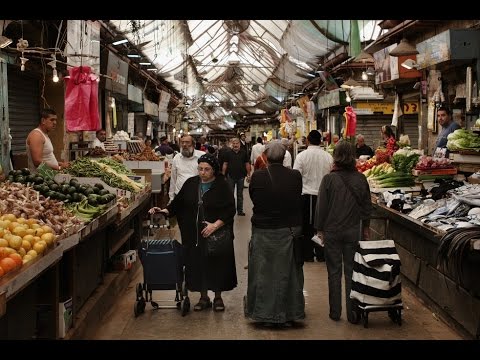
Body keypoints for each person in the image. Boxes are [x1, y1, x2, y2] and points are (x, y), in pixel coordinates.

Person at [149, 153, 237, 312]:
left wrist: (214, 226)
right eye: (200, 169)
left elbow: (230, 209)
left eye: (207, 169)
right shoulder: (191, 183)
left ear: (214, 170)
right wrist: (163, 211)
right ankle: (203, 298)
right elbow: (177, 204)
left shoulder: (222, 185)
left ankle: (217, 297)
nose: (203, 172)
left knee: (217, 264)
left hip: (216, 234)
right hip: (194, 235)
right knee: (198, 264)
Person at [245, 140, 305, 327]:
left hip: (263, 230)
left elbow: (254, 198)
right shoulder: (295, 176)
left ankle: (262, 313)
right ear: (284, 156)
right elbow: (296, 198)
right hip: (288, 229)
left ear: (266, 156)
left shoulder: (258, 177)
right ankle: (289, 313)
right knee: (288, 272)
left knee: (262, 272)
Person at [314, 141, 372, 323]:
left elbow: (321, 207)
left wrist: (319, 229)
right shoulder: (361, 179)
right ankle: (353, 314)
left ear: (336, 156)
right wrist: (366, 227)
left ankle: (335, 312)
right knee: (351, 272)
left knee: (334, 272)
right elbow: (366, 206)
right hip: (353, 231)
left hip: (332, 231)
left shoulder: (328, 179)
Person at [293, 130, 333, 262]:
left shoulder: (301, 156)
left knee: (307, 226)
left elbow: (296, 176)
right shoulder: (328, 157)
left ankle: (307, 255)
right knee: (322, 226)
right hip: (324, 196)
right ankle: (321, 255)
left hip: (307, 195)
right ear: (321, 141)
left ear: (308, 141)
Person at [26, 109, 69, 173]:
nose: (55, 123)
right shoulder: (36, 135)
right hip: (40, 179)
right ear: (43, 121)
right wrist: (59, 168)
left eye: (55, 120)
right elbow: (37, 161)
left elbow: (46, 158)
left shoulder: (44, 135)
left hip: (48, 176)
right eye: (52, 120)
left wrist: (59, 163)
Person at [168, 135, 205, 203]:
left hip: (196, 196)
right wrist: (171, 197)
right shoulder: (177, 158)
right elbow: (173, 179)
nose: (184, 144)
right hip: (179, 195)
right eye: (182, 142)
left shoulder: (202, 156)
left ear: (193, 144)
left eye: (187, 142)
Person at [222, 137, 251, 216]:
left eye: (237, 143)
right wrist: (223, 175)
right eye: (234, 143)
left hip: (241, 177)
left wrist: (249, 174)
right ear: (232, 144)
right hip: (230, 176)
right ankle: (230, 211)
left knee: (240, 195)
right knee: (230, 195)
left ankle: (240, 211)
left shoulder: (244, 153)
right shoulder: (228, 153)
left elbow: (247, 164)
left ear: (239, 144)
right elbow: (225, 164)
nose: (235, 145)